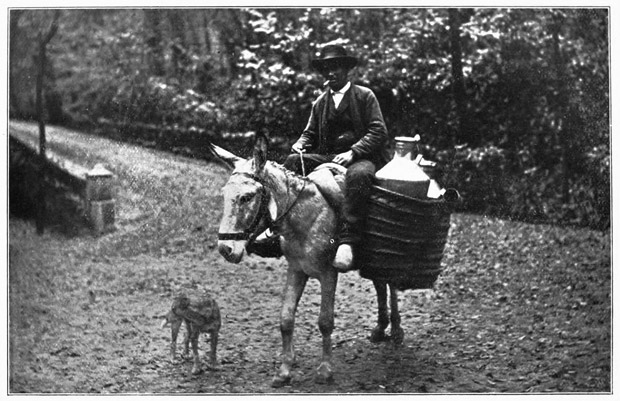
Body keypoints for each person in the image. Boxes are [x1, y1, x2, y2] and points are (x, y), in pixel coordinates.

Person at [281, 43, 390, 272]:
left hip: (361, 157)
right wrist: (300, 144)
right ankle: (281, 228)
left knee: (360, 175)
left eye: (336, 68)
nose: (331, 73)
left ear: (347, 70)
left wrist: (353, 152)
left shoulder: (364, 96)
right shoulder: (320, 102)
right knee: (291, 163)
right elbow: (309, 133)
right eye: (327, 69)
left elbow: (378, 131)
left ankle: (348, 241)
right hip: (327, 156)